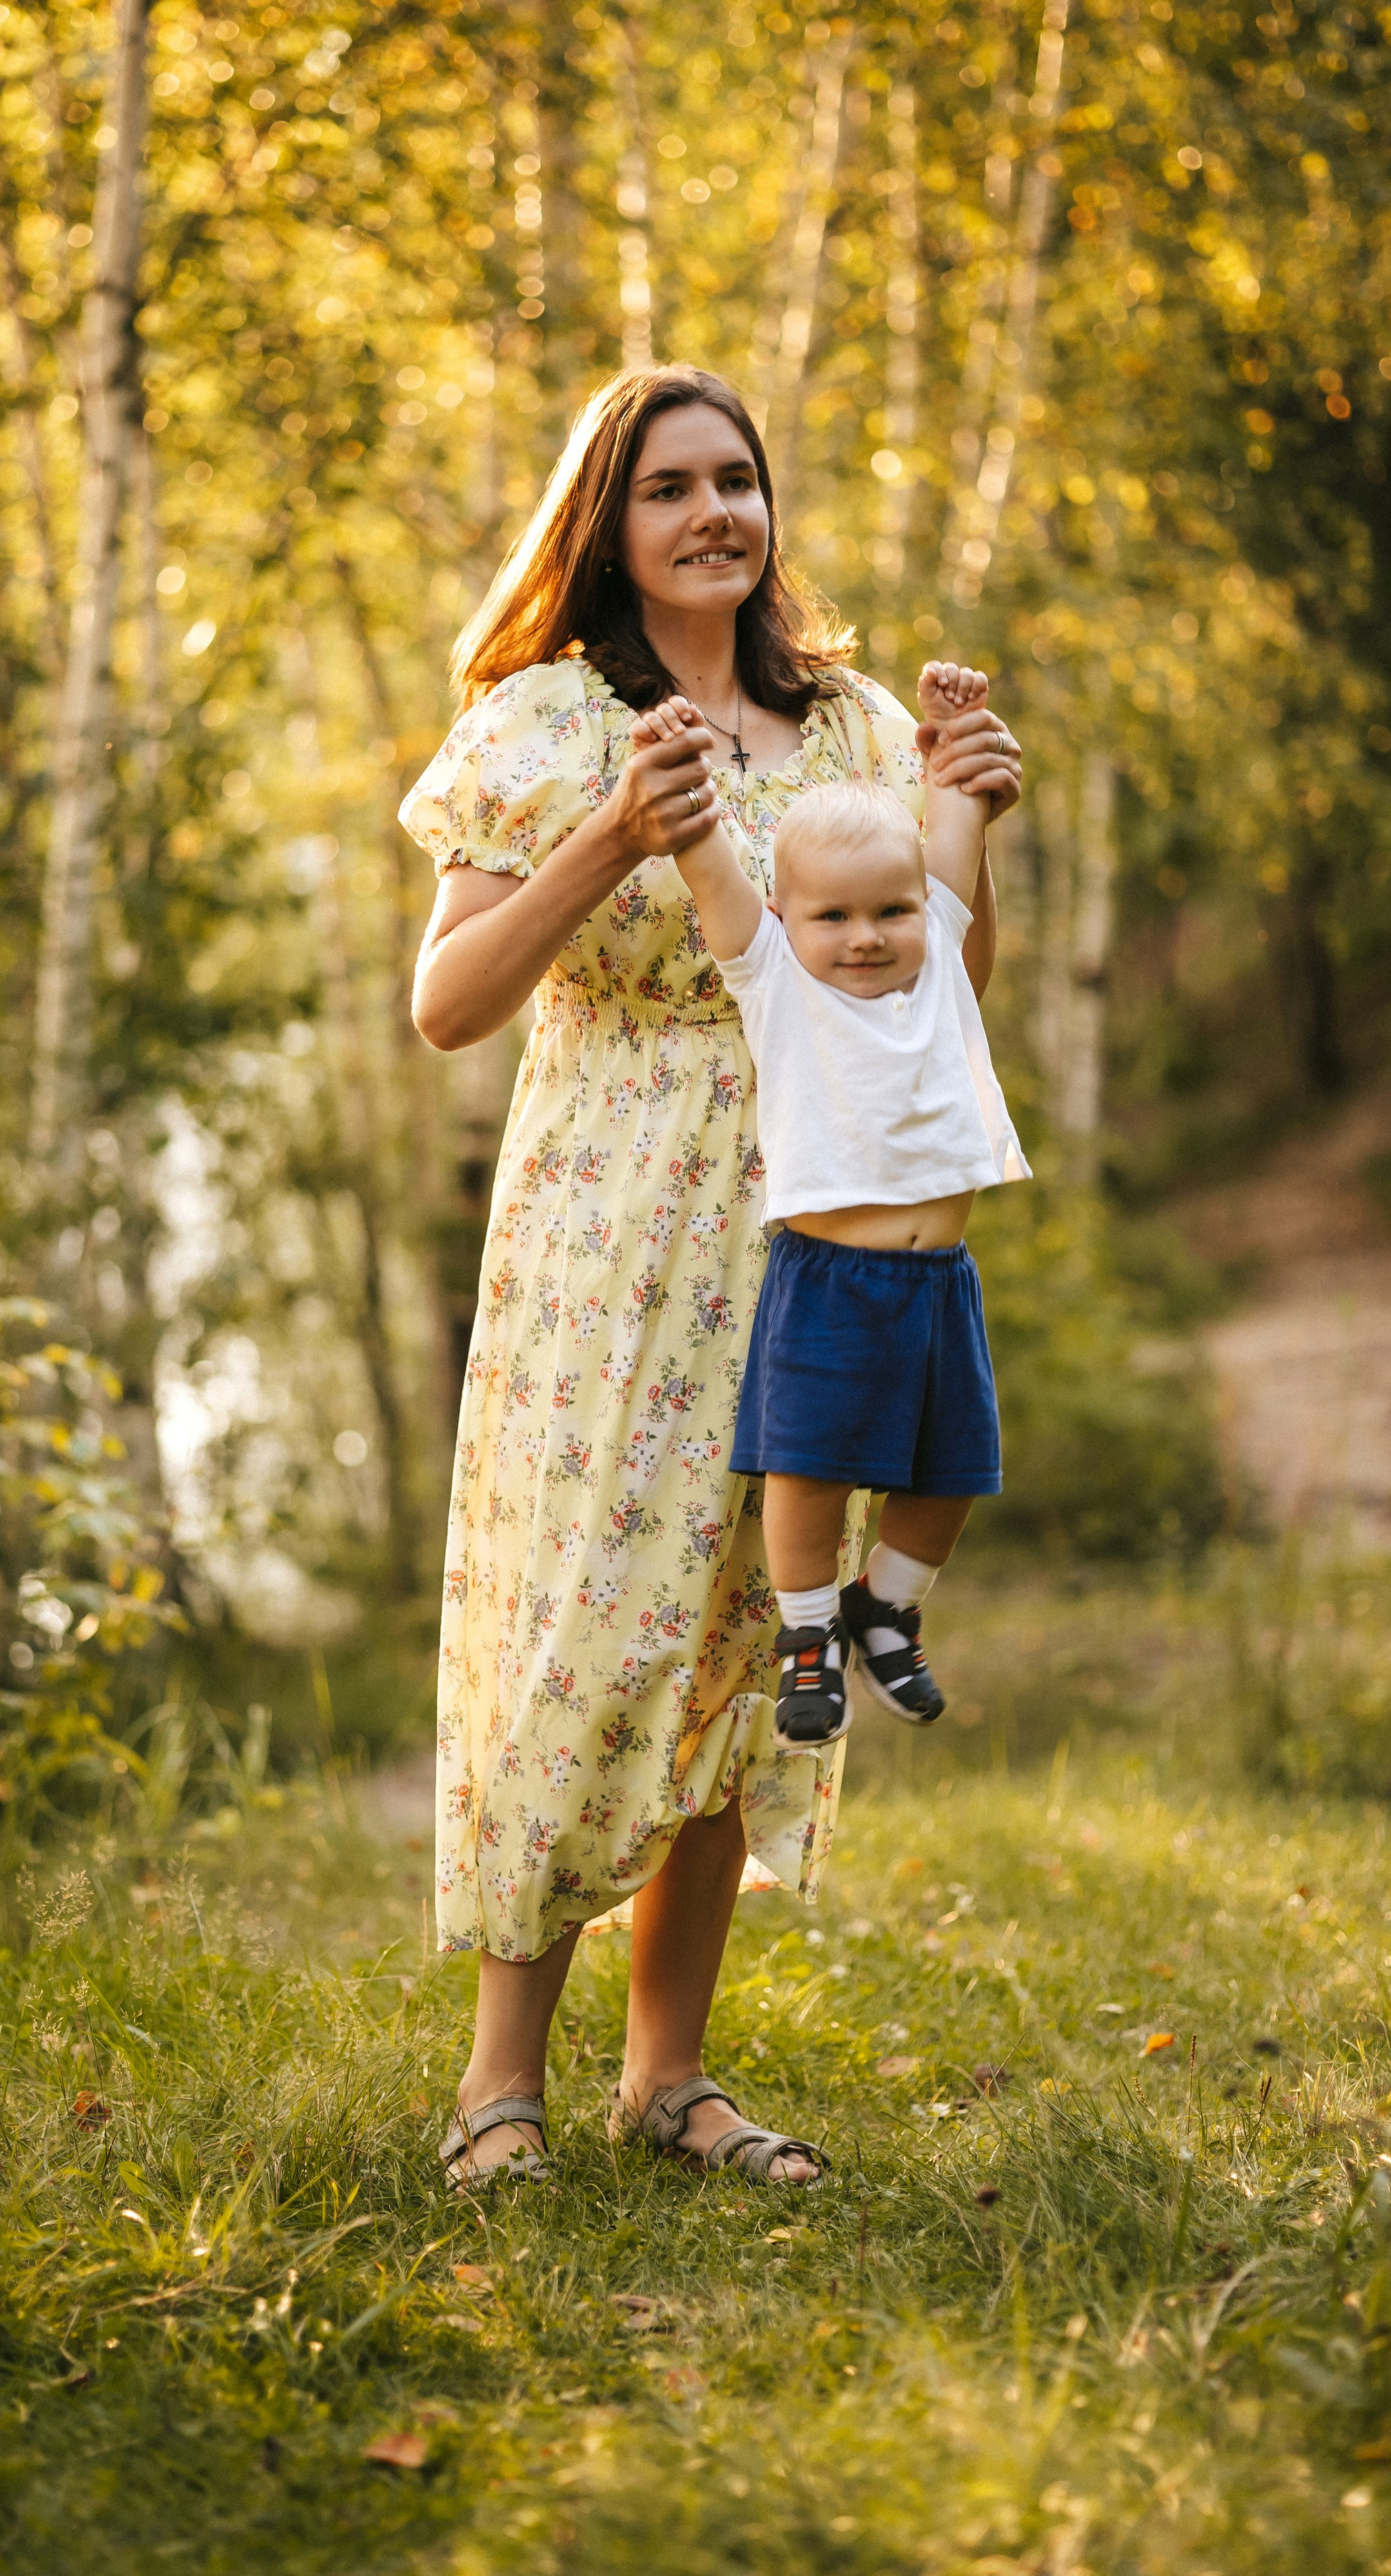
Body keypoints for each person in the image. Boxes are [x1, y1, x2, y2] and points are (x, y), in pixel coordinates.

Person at [400, 365, 1023, 2190]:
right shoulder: (540, 724)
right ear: (613, 520)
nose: (710, 516)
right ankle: (497, 2086)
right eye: (668, 486)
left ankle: (668, 2079)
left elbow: (928, 996)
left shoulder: (850, 730)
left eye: (736, 480)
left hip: (816, 1236)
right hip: (611, 1236)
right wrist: (614, 836)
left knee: (748, 1645)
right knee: (588, 1633)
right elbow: (446, 1009)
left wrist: (969, 808)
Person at [642, 662, 1029, 1763]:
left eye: (891, 911)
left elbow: (955, 825)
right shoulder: (774, 980)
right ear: (785, 918)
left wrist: (951, 734)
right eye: (835, 916)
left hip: (938, 1284)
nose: (866, 936)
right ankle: (808, 1638)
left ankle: (886, 1607)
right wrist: (677, 773)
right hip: (827, 1278)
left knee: (953, 1469)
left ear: (923, 909)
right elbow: (708, 863)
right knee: (805, 1471)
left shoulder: (939, 960)